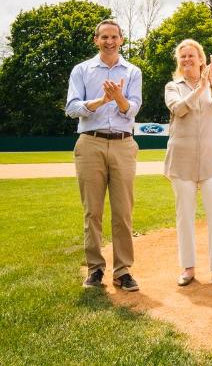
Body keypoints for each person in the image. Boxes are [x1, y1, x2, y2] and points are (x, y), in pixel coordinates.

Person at [65, 19, 142, 291]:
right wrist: (101, 100)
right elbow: (72, 108)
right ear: (96, 40)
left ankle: (123, 272)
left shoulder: (132, 71)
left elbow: (132, 108)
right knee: (92, 212)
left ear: (122, 39)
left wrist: (119, 98)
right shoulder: (82, 70)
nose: (109, 41)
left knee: (123, 213)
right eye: (104, 37)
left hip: (123, 143)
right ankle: (95, 270)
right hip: (90, 143)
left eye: (114, 37)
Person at [164, 39, 212, 287]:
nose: (187, 60)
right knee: (185, 215)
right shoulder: (172, 87)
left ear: (201, 60)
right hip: (182, 160)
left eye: (191, 56)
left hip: (211, 159)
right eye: (182, 56)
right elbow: (179, 109)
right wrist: (200, 88)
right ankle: (188, 268)